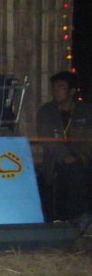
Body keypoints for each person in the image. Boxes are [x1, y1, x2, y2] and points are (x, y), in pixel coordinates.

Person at [36, 71, 92, 222]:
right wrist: (64, 155)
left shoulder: (85, 111)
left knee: (78, 169)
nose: (56, 91)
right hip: (56, 161)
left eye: (61, 87)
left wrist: (82, 155)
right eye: (54, 87)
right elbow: (47, 139)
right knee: (71, 170)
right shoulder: (46, 111)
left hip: (83, 159)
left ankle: (80, 217)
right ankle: (72, 218)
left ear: (72, 91)